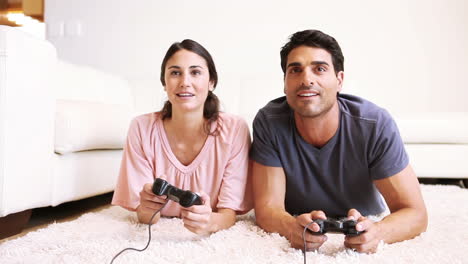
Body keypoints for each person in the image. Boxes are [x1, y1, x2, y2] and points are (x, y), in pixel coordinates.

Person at [250, 29, 427, 253]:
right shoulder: (269, 121)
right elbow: (267, 209)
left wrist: (378, 232)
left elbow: (416, 213)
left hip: (365, 214)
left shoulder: (374, 124)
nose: (306, 79)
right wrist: (290, 227)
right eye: (295, 70)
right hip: (299, 216)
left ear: (339, 80)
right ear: (285, 83)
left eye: (320, 69)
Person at [112, 39, 252, 235]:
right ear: (164, 83)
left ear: (211, 82)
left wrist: (210, 222)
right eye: (175, 73)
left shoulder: (234, 129)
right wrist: (147, 208)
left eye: (195, 72)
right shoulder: (141, 127)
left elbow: (228, 214)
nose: (185, 82)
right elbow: (145, 216)